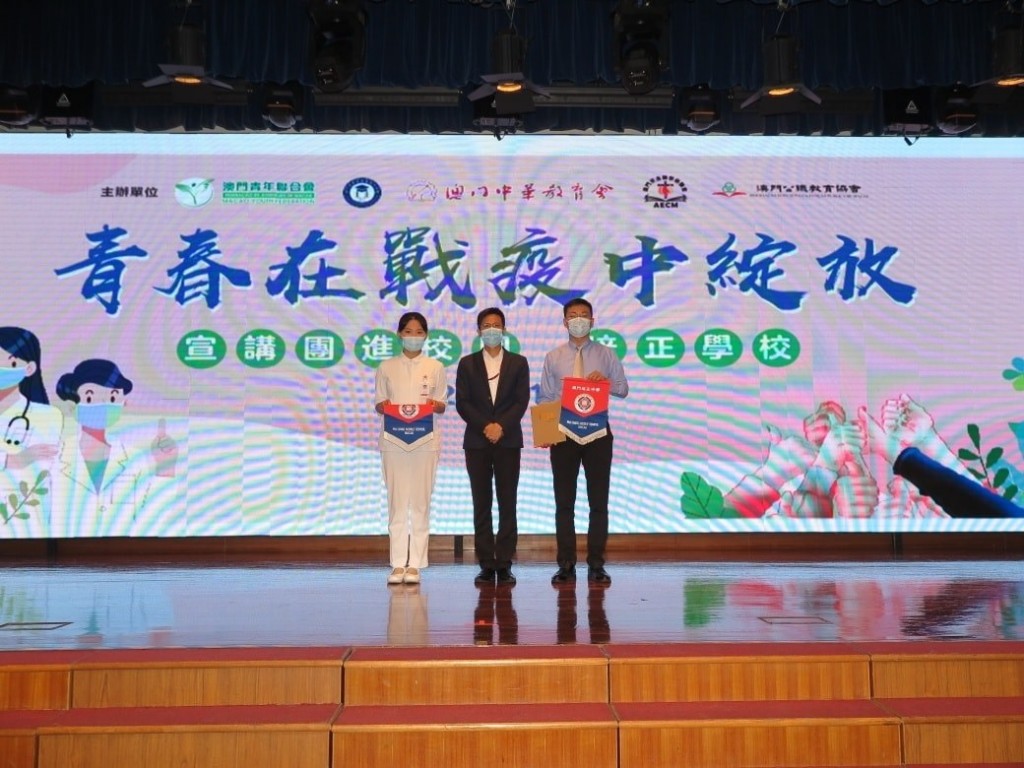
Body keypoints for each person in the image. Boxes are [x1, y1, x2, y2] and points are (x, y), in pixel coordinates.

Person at [538, 298, 629, 585]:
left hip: (598, 432)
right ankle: (566, 565)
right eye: (573, 315)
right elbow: (545, 397)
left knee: (598, 502)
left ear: (592, 320)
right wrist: (546, 433)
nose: (578, 319)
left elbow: (623, 389)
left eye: (584, 315)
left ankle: (596, 565)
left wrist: (605, 383)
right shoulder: (553, 356)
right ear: (565, 321)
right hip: (564, 433)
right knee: (564, 503)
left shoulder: (606, 354)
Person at [455, 307, 531, 586]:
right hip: (477, 442)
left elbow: (521, 400)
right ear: (478, 331)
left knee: (508, 502)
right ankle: (486, 563)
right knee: (482, 503)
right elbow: (463, 402)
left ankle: (505, 563)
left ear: (504, 329)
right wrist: (486, 426)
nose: (491, 330)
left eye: (496, 325)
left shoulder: (518, 362)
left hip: (508, 441)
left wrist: (501, 426)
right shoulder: (467, 363)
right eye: (486, 325)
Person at [374, 311, 448, 585]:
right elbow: (379, 402)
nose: (413, 337)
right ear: (399, 335)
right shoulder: (386, 367)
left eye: (419, 332)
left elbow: (441, 404)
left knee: (420, 503)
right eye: (408, 332)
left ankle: (415, 564)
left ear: (425, 335)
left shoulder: (435, 366)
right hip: (393, 441)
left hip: (424, 442)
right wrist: (384, 406)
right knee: (397, 503)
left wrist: (434, 405)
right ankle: (397, 564)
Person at [0, 327, 62, 535]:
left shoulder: (47, 415)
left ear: (29, 368)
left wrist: (17, 461)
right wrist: (10, 460)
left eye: (10, 363)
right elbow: (21, 461)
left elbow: (39, 467)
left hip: (25, 524)